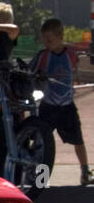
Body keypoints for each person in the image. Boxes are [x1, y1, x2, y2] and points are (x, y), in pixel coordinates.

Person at [30, 17, 91, 185]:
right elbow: (30, 74)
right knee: (41, 142)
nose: (46, 43)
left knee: (78, 140)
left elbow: (78, 68)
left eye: (49, 40)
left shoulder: (71, 54)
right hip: (48, 106)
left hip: (66, 107)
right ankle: (40, 178)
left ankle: (85, 171)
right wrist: (38, 78)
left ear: (60, 36)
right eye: (44, 40)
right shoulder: (43, 56)